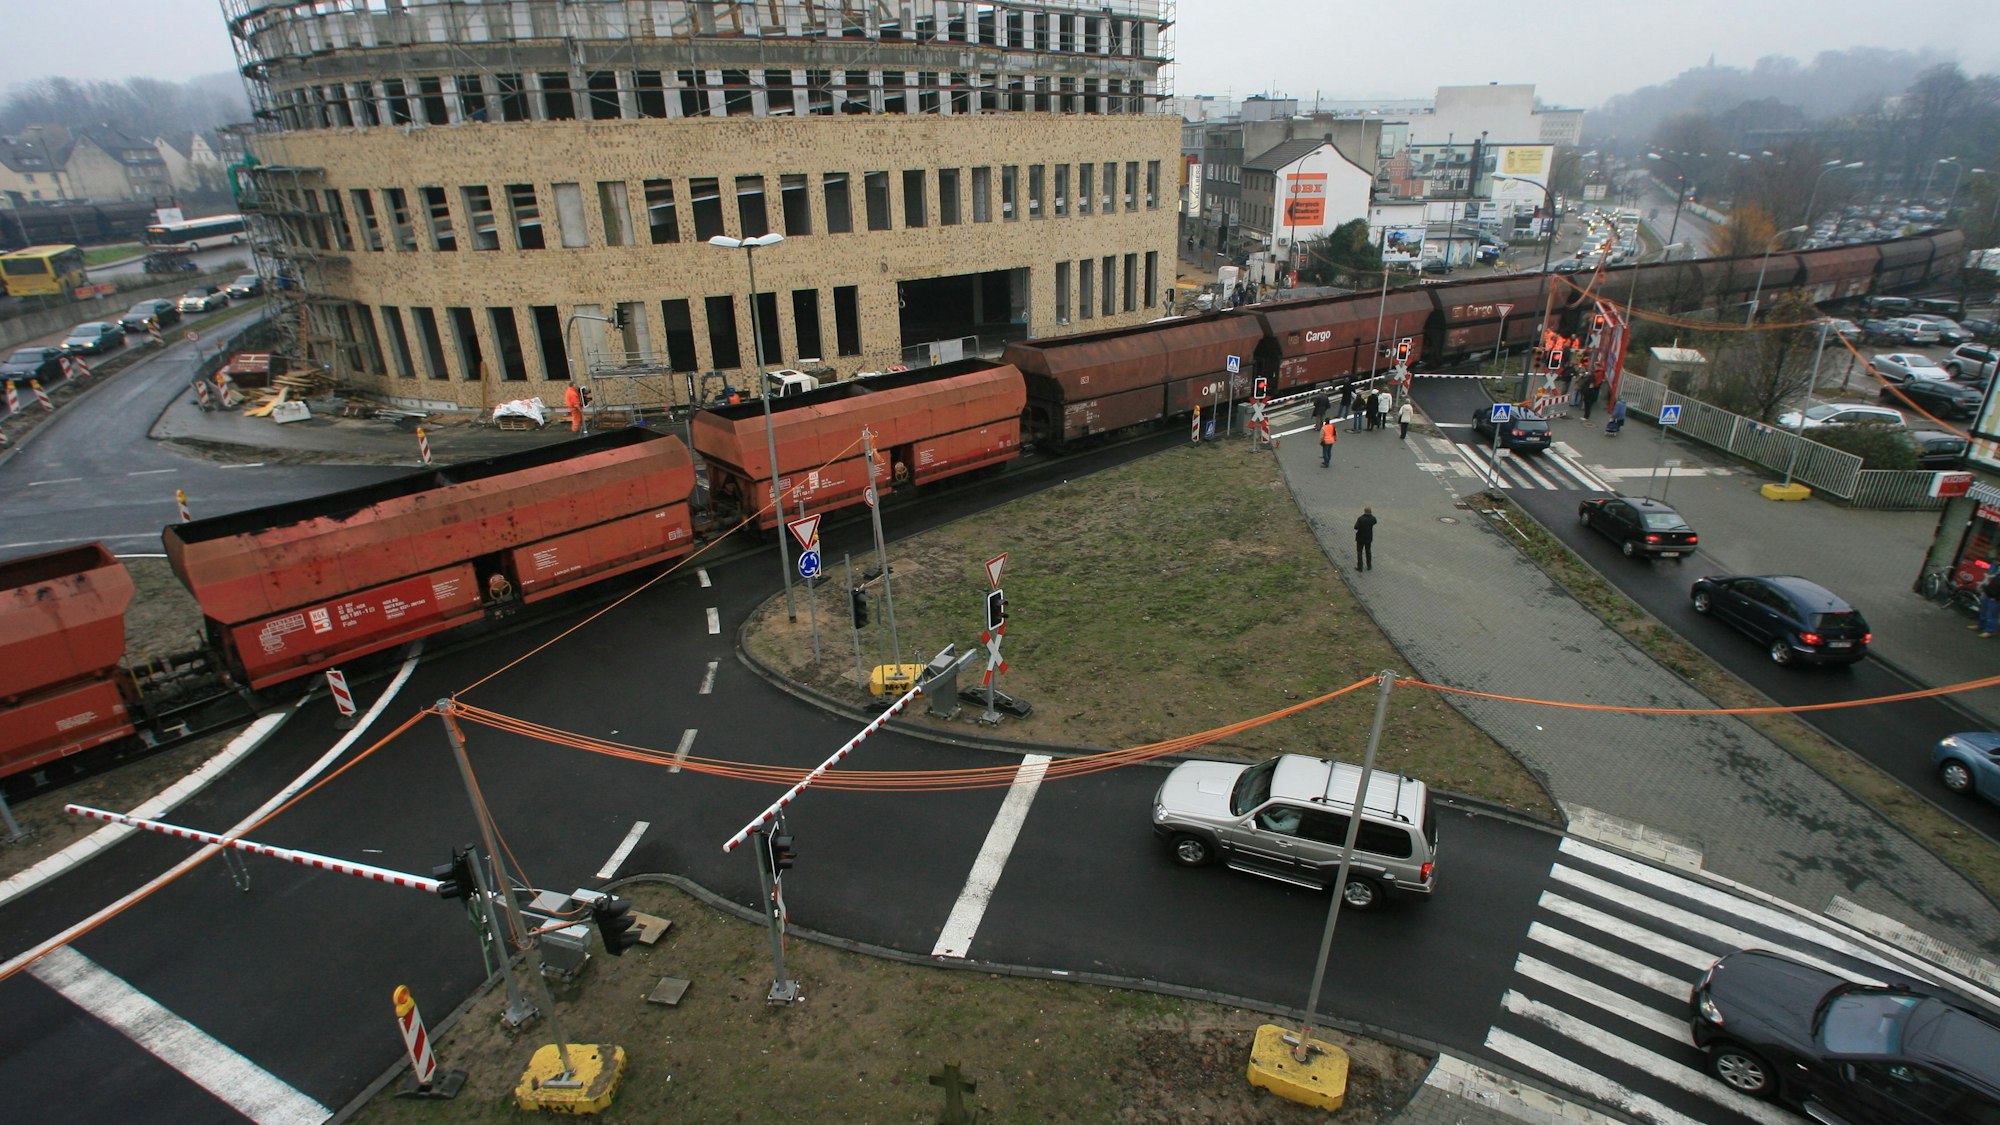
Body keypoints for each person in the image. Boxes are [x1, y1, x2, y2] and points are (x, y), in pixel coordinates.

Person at [1353, 506, 1378, 570]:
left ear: (1364, 511)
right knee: (1368, 551)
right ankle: (1369, 566)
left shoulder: (1361, 519)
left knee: (1359, 552)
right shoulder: (1373, 518)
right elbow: (1375, 522)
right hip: (1368, 538)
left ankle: (1360, 567)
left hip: (1360, 538)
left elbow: (1355, 527)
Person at [1979, 569, 2000, 638]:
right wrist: (1986, 591)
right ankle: (1981, 626)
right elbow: (1992, 583)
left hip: (1995, 600)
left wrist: (1997, 598)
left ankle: (1988, 631)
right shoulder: (1998, 574)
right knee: (1983, 612)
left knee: (1991, 616)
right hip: (1988, 595)